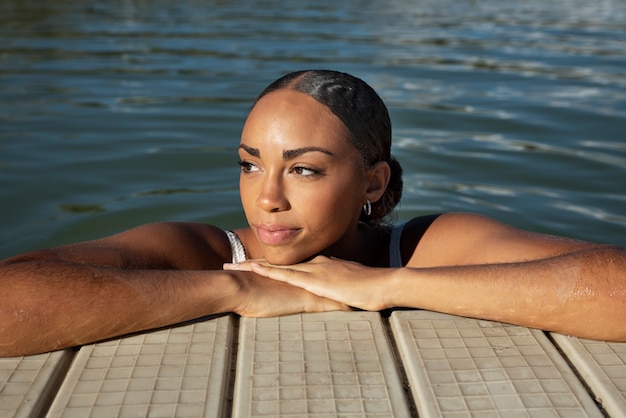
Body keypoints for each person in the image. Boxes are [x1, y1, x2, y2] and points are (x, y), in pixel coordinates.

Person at [1, 70, 624, 357]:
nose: (266, 196)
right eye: (250, 164)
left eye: (304, 168)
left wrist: (391, 285)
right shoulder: (203, 251)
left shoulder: (427, 246)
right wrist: (232, 288)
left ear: (372, 181)